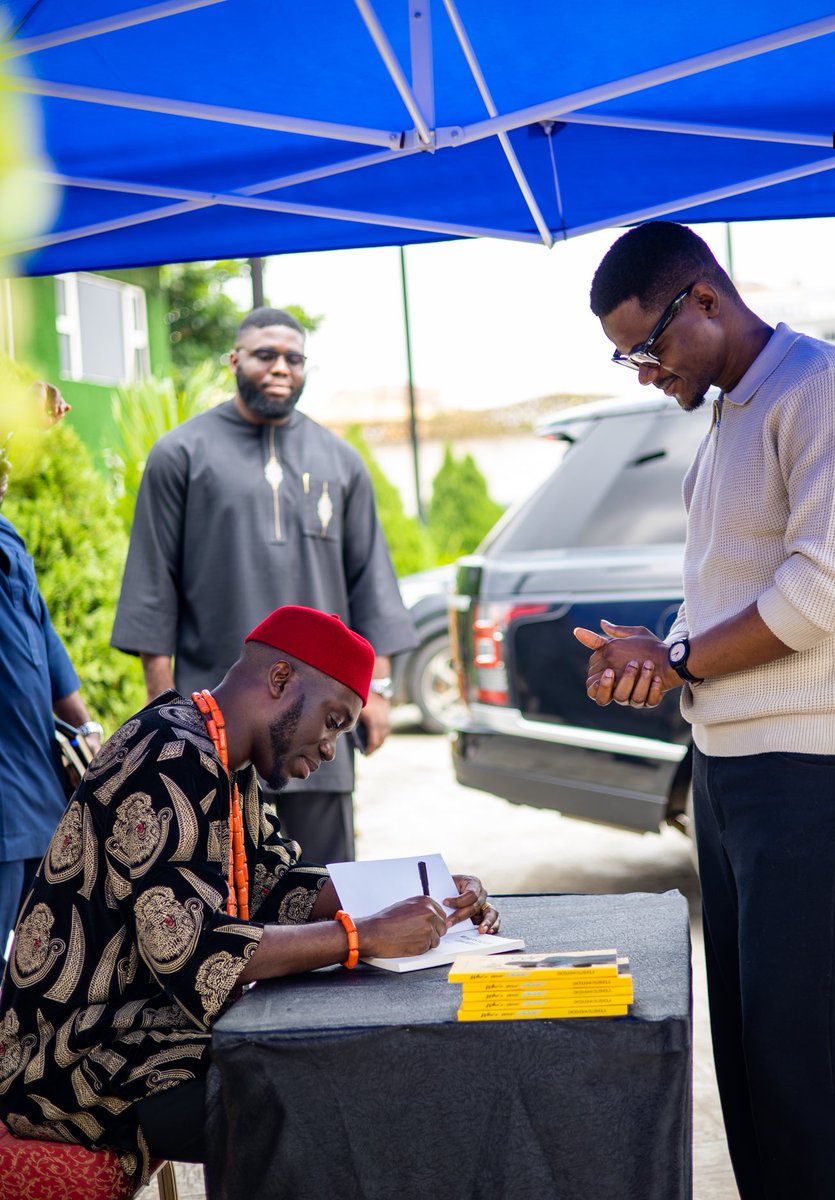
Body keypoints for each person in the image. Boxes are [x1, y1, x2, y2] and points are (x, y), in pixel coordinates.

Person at [575, 222, 835, 1200]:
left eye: (649, 348)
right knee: (756, 1065)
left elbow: (824, 594)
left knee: (809, 1073)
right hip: (732, 765)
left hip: (813, 765)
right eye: (625, 357)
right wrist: (656, 652)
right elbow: (722, 595)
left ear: (706, 300)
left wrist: (674, 658)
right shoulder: (730, 416)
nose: (643, 374)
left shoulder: (824, 390)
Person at [0, 606, 498, 1184]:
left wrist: (429, 888)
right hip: (73, 1064)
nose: (334, 747)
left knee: (343, 1069)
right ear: (281, 680)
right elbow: (194, 957)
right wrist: (358, 936)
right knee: (319, 1104)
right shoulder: (166, 758)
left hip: (147, 1034)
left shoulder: (221, 758)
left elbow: (275, 885)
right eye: (333, 720)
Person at [111, 307, 416, 865]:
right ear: (235, 360)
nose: (281, 367)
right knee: (218, 879)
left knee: (326, 885)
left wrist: (380, 693)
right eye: (265, 355)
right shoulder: (180, 454)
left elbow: (370, 578)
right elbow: (154, 580)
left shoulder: (341, 461)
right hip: (215, 728)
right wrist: (161, 693)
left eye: (293, 358)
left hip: (318, 722)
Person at [0, 382, 102, 963]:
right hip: (6, 806)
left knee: (46, 965)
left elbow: (42, 641)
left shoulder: (8, 537)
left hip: (36, 792)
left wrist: (87, 733)